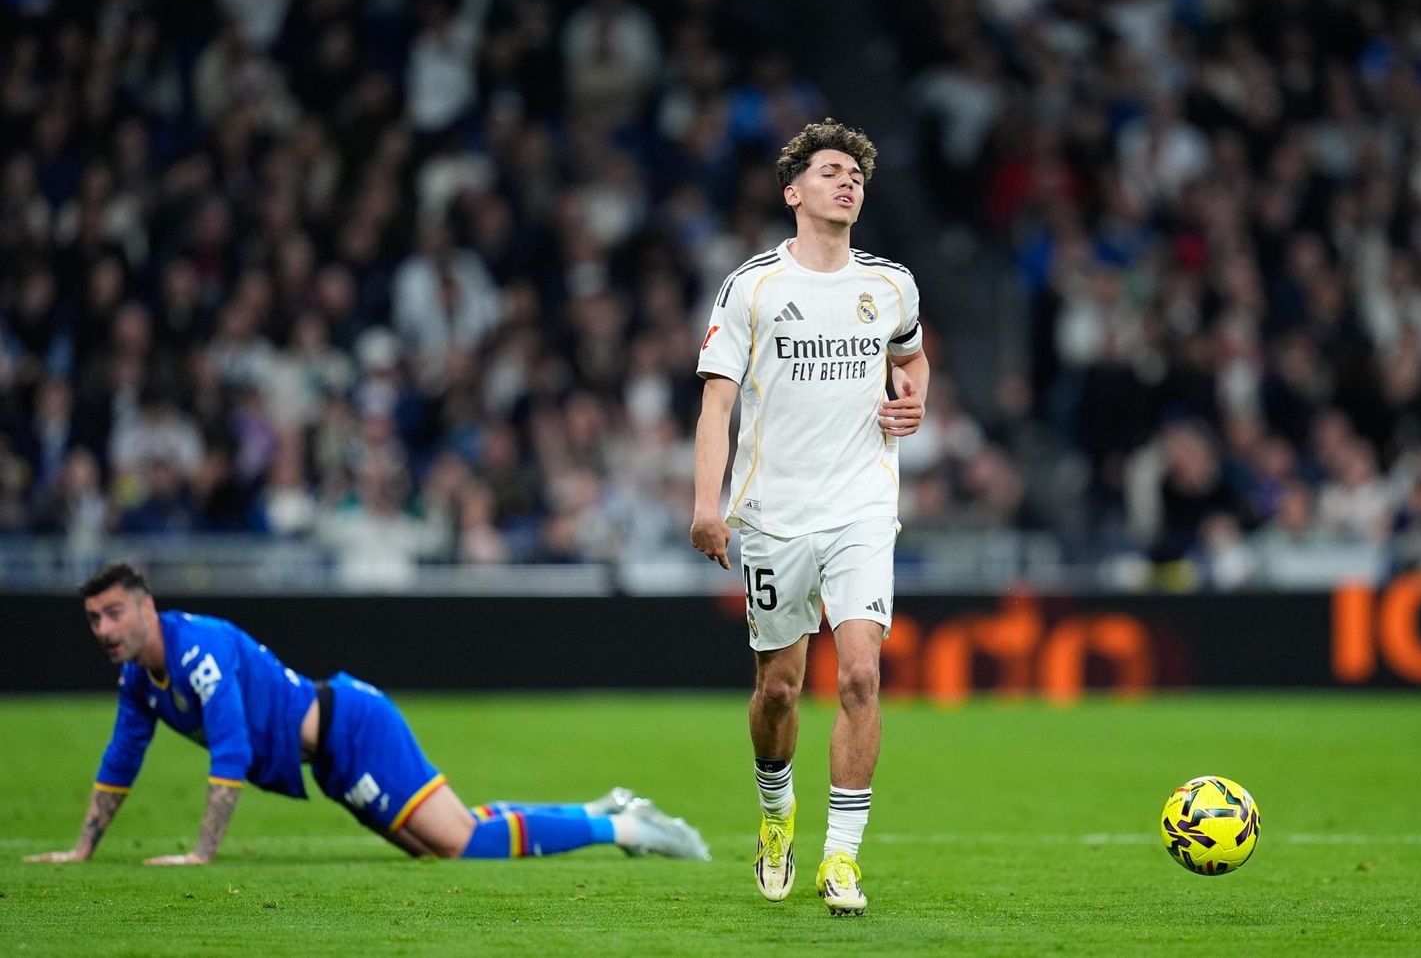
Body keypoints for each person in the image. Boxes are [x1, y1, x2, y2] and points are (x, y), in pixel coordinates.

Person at [24, 563, 709, 866]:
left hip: (352, 727)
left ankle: (624, 827)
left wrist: (202, 854)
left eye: (115, 613)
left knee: (459, 845)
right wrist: (84, 848)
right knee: (449, 840)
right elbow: (122, 757)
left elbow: (229, 748)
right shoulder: (140, 680)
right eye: (93, 619)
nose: (105, 628)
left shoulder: (196, 650)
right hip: (329, 758)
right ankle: (606, 807)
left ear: (145, 608)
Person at [689, 119, 929, 915]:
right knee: (780, 691)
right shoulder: (753, 286)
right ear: (795, 193)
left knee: (861, 673)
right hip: (772, 516)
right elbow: (716, 404)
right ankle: (774, 815)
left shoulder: (891, 283)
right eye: (830, 171)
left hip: (862, 506)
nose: (847, 181)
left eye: (855, 173)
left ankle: (842, 860)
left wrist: (913, 399)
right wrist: (705, 505)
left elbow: (911, 354)